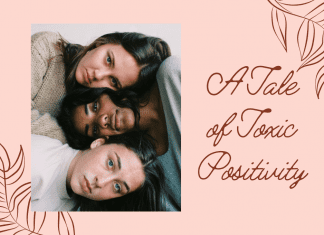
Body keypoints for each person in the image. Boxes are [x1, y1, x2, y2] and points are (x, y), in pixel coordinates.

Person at [57, 56, 181, 210]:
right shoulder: (140, 182)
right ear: (100, 142)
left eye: (95, 107)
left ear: (105, 89)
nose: (102, 120)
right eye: (94, 129)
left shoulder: (172, 76)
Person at [31, 132, 165, 211]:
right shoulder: (37, 162)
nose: (101, 182)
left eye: (117, 187)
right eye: (110, 163)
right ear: (98, 143)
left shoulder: (71, 202)